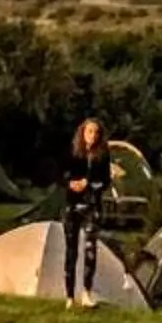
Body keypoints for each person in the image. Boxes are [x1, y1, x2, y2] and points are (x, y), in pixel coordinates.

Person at [62, 117, 112, 302]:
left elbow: (105, 180)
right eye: (90, 131)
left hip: (92, 206)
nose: (93, 135)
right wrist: (70, 183)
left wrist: (89, 184)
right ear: (82, 133)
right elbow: (62, 173)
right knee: (71, 249)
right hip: (72, 204)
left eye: (96, 132)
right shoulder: (72, 151)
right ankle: (69, 296)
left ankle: (87, 292)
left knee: (90, 248)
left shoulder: (103, 155)